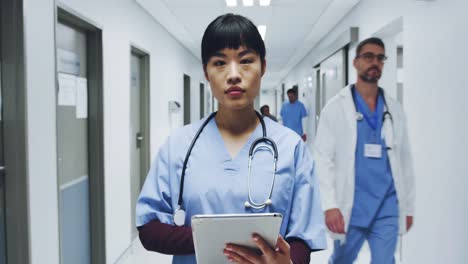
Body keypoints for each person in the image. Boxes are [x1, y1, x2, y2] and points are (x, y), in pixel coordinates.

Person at [136, 13, 326, 264]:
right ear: (206, 71)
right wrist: (214, 240)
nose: (234, 74)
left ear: (263, 67)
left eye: (246, 60)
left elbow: (303, 237)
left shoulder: (291, 148)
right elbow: (149, 228)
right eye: (220, 63)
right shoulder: (179, 146)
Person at [313, 37, 415, 263]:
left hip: (387, 206)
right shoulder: (335, 107)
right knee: (342, 260)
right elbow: (322, 159)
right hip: (351, 204)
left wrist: (407, 207)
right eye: (368, 56)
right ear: (356, 62)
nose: (375, 62)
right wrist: (329, 205)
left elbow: (404, 160)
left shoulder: (394, 109)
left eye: (380, 58)